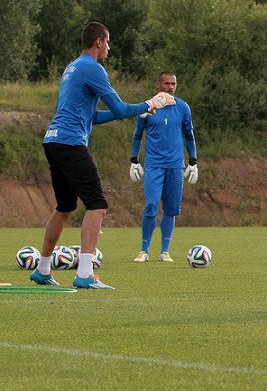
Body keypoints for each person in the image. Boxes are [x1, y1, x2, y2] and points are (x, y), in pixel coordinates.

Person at [32, 22, 175, 290]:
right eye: (108, 42)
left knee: (65, 207)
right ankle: (85, 273)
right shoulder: (93, 68)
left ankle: (42, 269)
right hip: (70, 142)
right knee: (97, 204)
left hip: (53, 140)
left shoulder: (72, 67)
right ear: (99, 42)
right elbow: (120, 109)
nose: (109, 48)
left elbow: (92, 116)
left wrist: (140, 111)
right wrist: (152, 103)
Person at [130, 71, 197, 263]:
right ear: (158, 85)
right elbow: (137, 135)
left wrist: (193, 161)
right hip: (154, 165)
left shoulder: (183, 107)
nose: (170, 87)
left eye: (173, 84)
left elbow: (189, 135)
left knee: (171, 208)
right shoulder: (148, 107)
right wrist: (134, 160)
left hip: (176, 166)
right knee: (151, 205)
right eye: (166, 83)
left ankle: (165, 251)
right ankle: (144, 250)